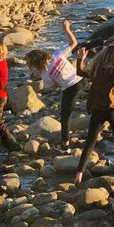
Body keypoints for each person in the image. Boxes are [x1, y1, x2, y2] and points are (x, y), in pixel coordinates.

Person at [73, 42, 114, 185]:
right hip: (111, 109)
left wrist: (81, 58)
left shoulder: (96, 70)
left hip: (97, 109)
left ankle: (79, 172)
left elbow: (80, 72)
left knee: (90, 141)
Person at [24, 19, 85, 147]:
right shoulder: (57, 54)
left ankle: (65, 145)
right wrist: (67, 29)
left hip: (71, 88)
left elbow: (53, 86)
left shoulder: (44, 74)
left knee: (65, 116)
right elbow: (74, 43)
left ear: (35, 64)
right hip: (82, 80)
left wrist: (54, 82)